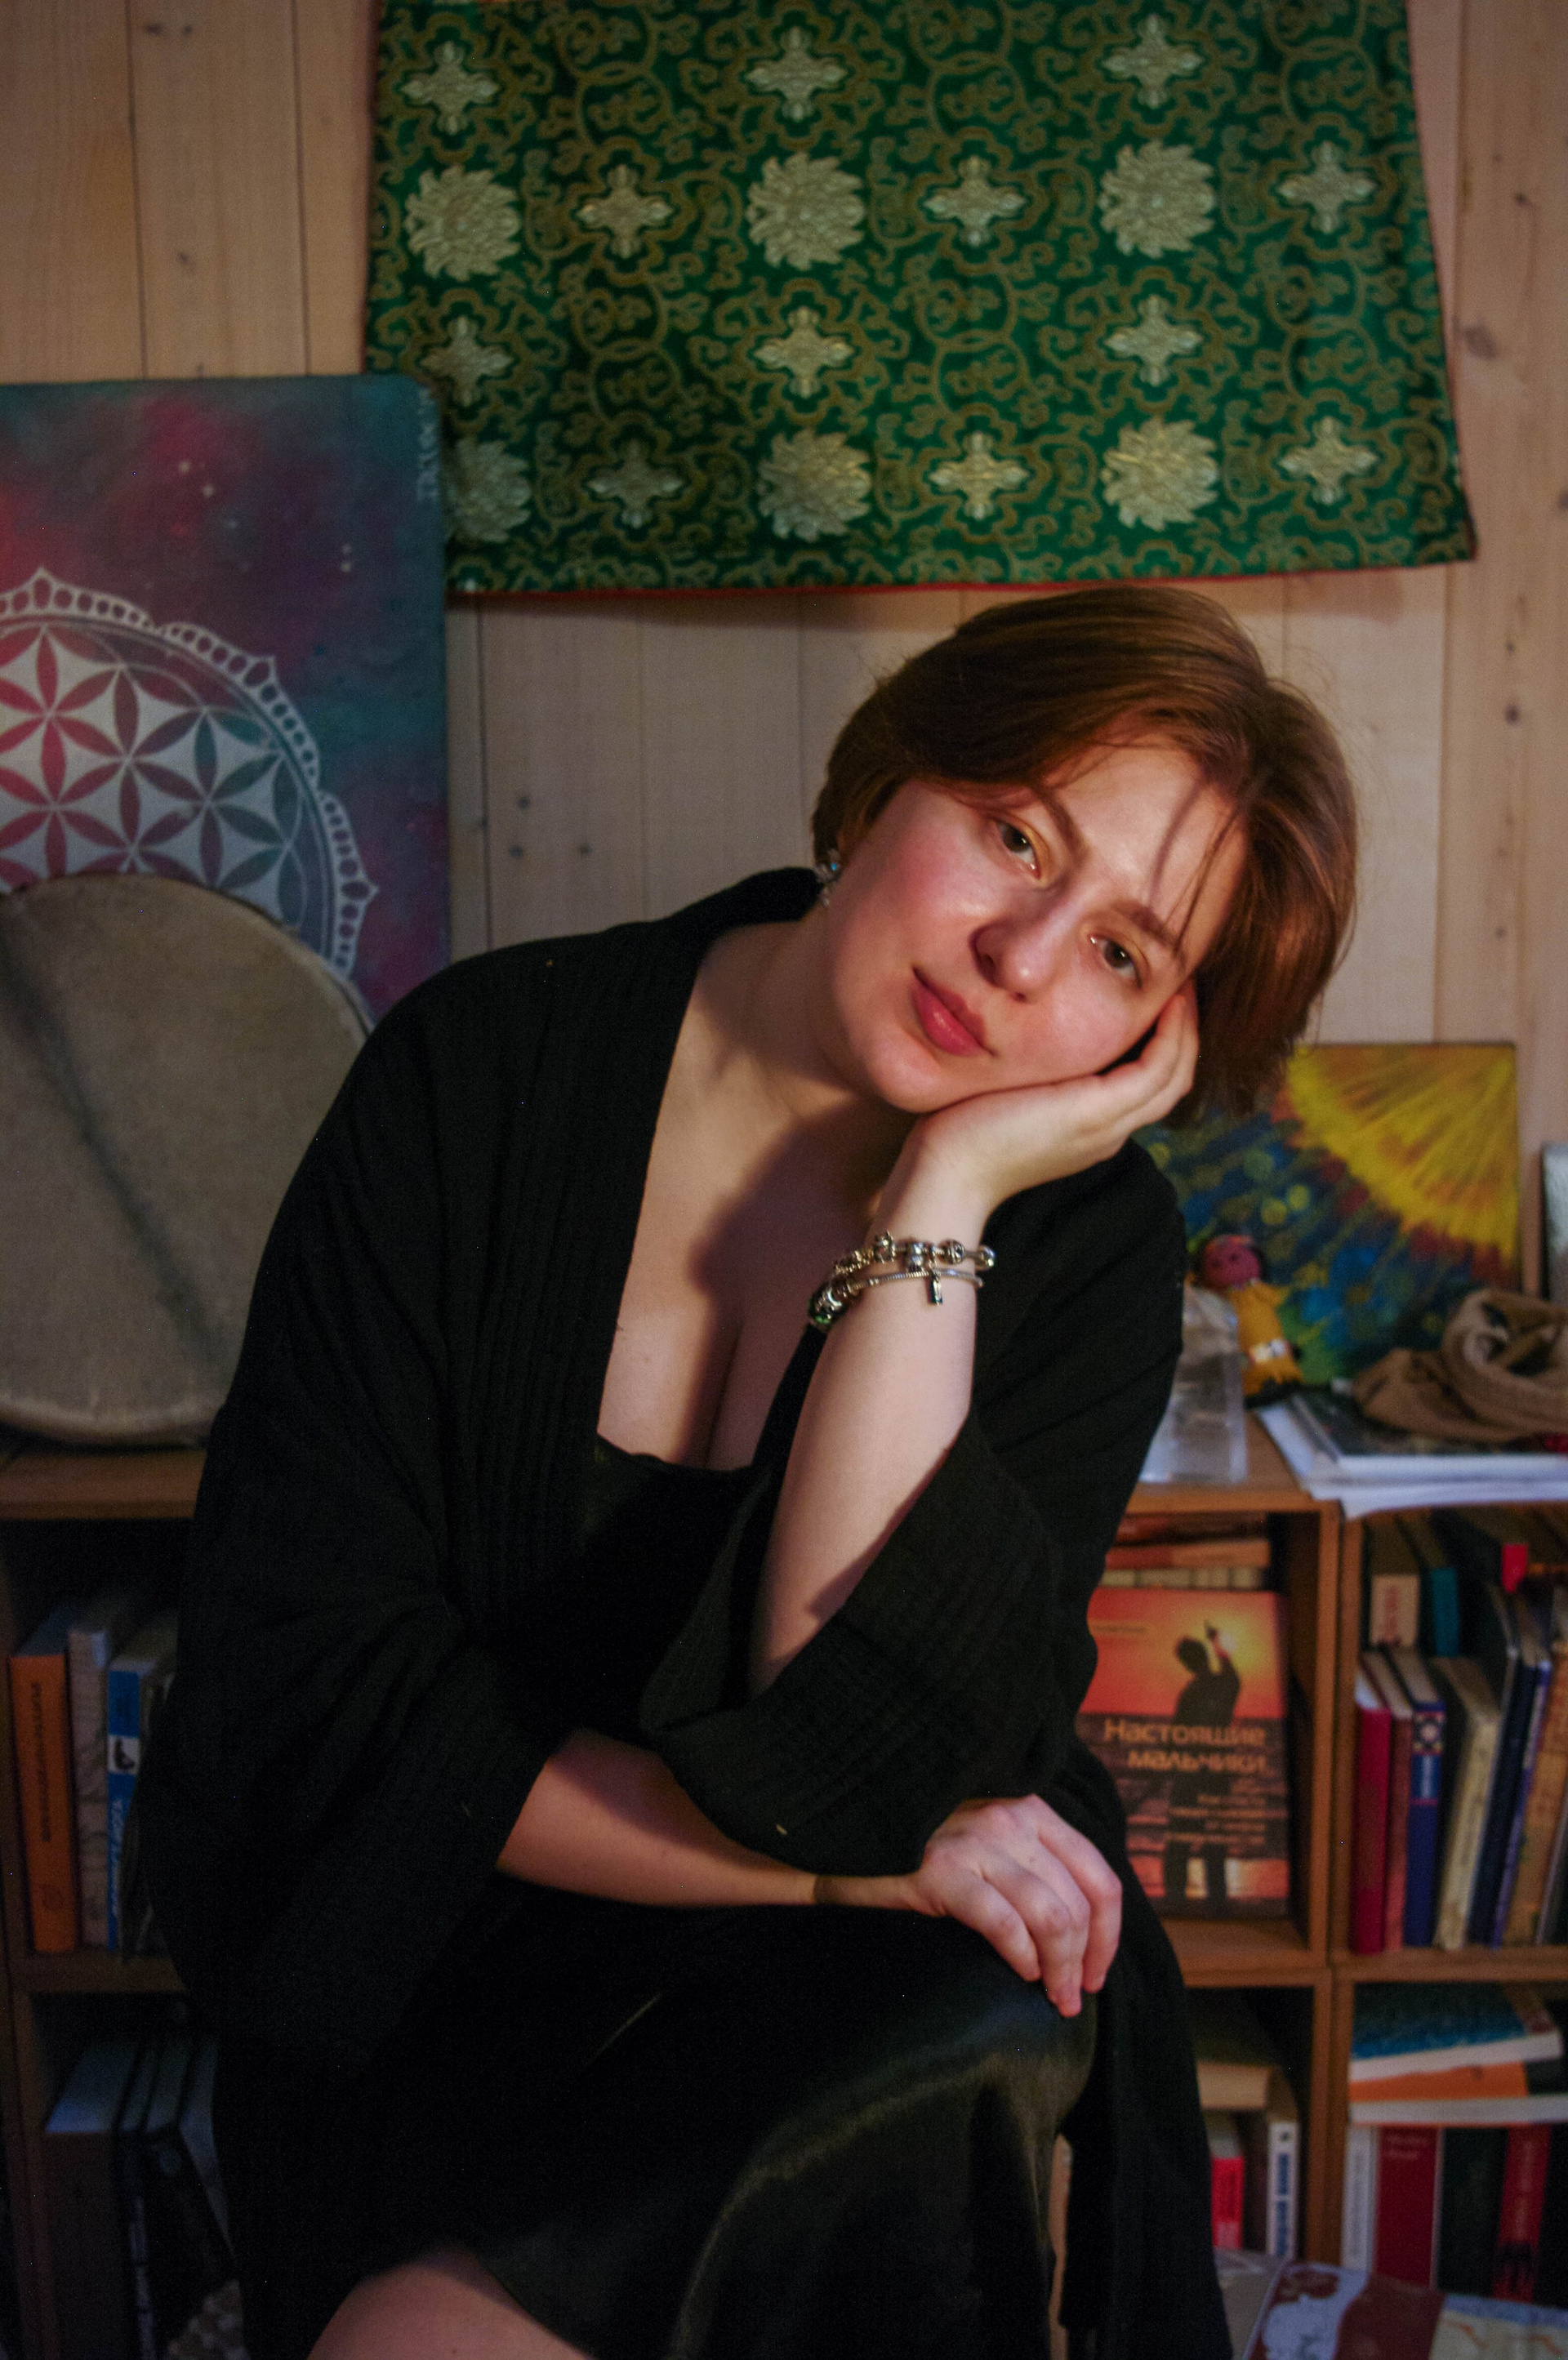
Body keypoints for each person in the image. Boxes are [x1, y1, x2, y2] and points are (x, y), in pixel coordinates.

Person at [141, 585, 1356, 2360]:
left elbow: (875, 1758)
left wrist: (945, 1199)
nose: (1021, 958)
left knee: (968, 2016)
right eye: (1016, 835)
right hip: (434, 1926)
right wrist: (834, 1872)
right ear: (888, 777)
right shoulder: (476, 1072)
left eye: (1122, 955)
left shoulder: (1088, 1250)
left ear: (1151, 1041)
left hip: (857, 1984)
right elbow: (309, 1700)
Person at [1163, 1622, 1243, 1909]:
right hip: (1214, 1776)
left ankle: (1176, 1899)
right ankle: (1216, 1901)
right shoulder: (1224, 1685)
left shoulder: (1193, 1693)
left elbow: (1175, 1739)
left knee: (1180, 1841)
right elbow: (1229, 1667)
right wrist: (1215, 1638)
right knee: (1212, 1841)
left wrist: (1164, 1771)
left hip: (1192, 1776)